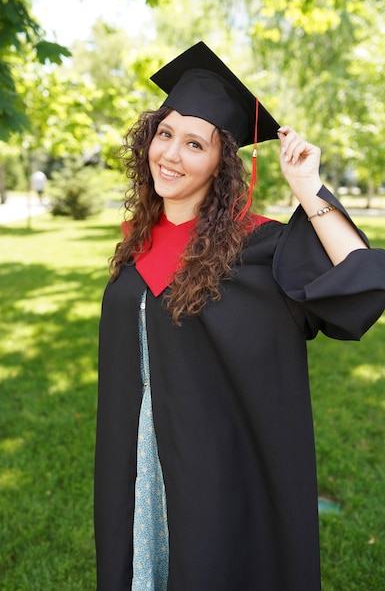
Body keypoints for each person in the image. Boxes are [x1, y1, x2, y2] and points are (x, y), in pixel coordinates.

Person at [94, 42, 385, 591]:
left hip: (218, 470)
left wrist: (308, 189)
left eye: (194, 143)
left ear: (221, 161)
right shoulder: (136, 244)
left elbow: (362, 280)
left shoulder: (259, 248)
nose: (171, 155)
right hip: (135, 461)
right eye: (165, 134)